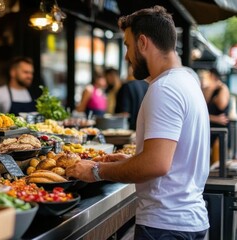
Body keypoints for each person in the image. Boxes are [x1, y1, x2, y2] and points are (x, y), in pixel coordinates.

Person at [67, 6, 209, 239]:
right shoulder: (187, 80)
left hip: (165, 226)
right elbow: (172, 160)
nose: (126, 56)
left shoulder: (165, 88)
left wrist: (95, 171)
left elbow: (156, 164)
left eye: (127, 45)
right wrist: (133, 160)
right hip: (188, 222)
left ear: (143, 43)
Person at [202, 68, 230, 164]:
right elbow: (203, 107)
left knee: (217, 161)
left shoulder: (223, 89)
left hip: (220, 129)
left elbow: (221, 105)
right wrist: (210, 89)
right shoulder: (208, 89)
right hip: (209, 127)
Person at [115, 65, 149, 130]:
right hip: (144, 129)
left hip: (129, 130)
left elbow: (124, 113)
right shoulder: (147, 85)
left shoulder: (126, 87)